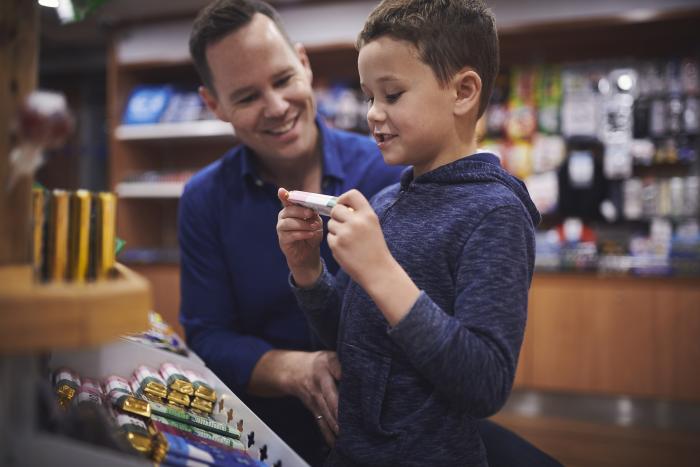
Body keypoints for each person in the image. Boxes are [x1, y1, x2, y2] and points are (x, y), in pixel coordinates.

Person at [276, 0, 541, 465]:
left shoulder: (495, 213)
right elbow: (353, 344)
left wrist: (381, 272)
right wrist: (310, 272)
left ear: (463, 91)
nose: (374, 114)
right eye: (368, 97)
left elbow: (485, 384)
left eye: (392, 94)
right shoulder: (387, 201)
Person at [179, 0, 403, 464]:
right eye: (246, 97)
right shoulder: (204, 200)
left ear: (303, 63)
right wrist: (296, 369)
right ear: (214, 105)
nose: (276, 107)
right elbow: (208, 335)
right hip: (263, 428)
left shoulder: (387, 170)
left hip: (395, 420)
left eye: (282, 80)